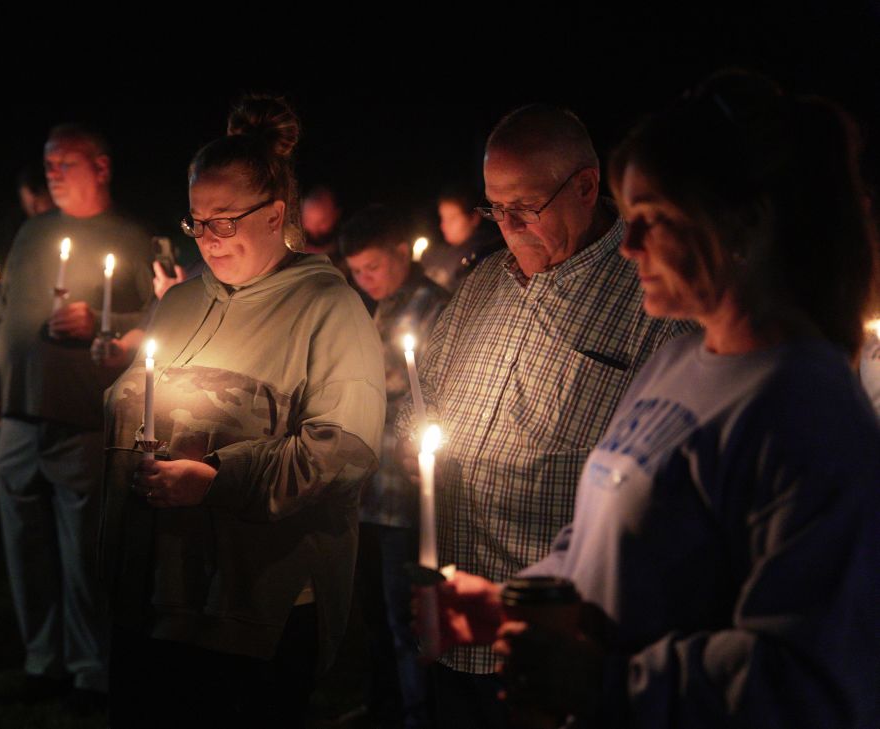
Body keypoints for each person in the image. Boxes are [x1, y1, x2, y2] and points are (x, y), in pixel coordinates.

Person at [432, 72, 880, 729]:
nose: (629, 245)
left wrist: (604, 679)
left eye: (653, 220)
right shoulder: (677, 362)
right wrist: (516, 604)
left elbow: (811, 679)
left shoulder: (804, 409)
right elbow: (606, 542)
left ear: (742, 224)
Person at [394, 104, 690, 729]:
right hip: (459, 624)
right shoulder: (483, 287)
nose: (506, 227)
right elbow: (422, 401)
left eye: (523, 208)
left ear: (585, 186)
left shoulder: (651, 304)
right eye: (493, 209)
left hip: (557, 653)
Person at [98, 95, 386, 729]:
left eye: (224, 221)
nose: (208, 238)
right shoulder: (179, 304)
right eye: (197, 222)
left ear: (276, 214)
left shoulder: (327, 307)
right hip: (158, 594)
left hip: (258, 605)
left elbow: (342, 452)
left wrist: (217, 478)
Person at [0, 123, 154, 713]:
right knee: (24, 548)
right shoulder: (32, 233)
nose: (52, 173)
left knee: (83, 554)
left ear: (101, 167)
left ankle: (89, 670)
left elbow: (158, 316)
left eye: (66, 164)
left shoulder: (128, 236)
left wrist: (101, 324)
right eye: (48, 164)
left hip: (82, 417)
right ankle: (41, 660)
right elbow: (4, 313)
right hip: (19, 417)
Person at [341, 205, 450, 728]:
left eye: (373, 268)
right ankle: (382, 706)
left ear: (401, 253)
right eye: (356, 272)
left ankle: (417, 714)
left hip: (403, 496)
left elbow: (427, 390)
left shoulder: (436, 307)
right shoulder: (375, 306)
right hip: (368, 490)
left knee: (404, 617)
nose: (365, 280)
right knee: (373, 619)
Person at [422, 183, 504, 292]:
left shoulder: (482, 256)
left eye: (452, 218)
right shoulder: (441, 252)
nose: (443, 225)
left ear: (474, 218)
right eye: (443, 218)